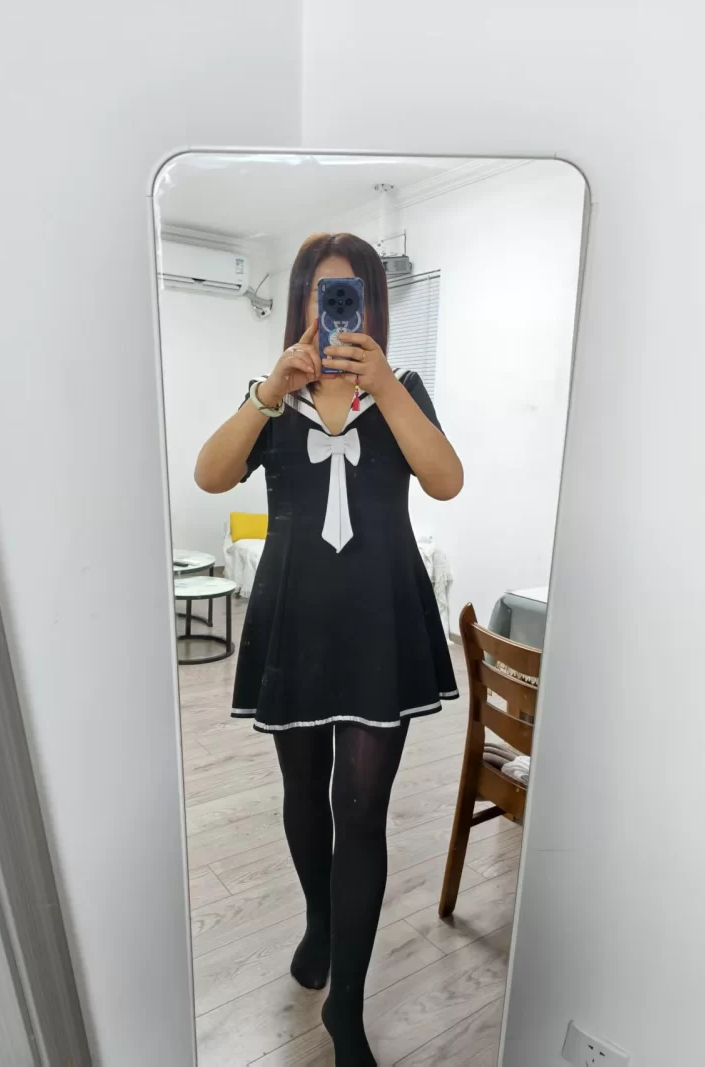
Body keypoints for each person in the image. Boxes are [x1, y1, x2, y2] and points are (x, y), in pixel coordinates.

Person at [194, 232, 463, 1066]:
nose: (332, 306)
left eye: (347, 293)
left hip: (382, 620)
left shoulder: (402, 387)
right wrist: (269, 391)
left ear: (371, 303)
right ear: (302, 303)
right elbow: (210, 474)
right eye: (319, 291)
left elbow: (446, 479)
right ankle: (319, 917)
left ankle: (347, 1000)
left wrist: (383, 384)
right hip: (297, 621)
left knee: (363, 810)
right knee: (304, 790)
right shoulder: (273, 395)